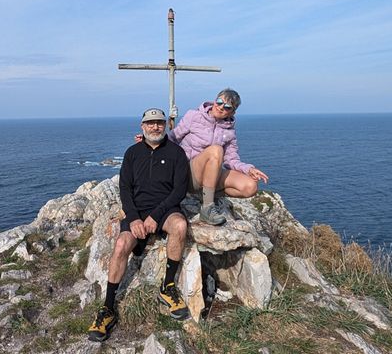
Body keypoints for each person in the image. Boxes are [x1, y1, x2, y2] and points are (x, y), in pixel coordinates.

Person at [87, 107, 191, 342]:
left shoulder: (176, 153)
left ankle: (168, 286)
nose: (155, 127)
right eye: (151, 123)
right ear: (142, 126)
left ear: (165, 126)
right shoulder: (132, 153)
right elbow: (125, 188)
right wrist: (134, 218)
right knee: (122, 244)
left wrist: (155, 216)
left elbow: (179, 191)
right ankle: (108, 308)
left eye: (160, 123)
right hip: (137, 210)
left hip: (165, 209)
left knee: (180, 227)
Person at [168, 88, 269, 226]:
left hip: (210, 176)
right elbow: (173, 137)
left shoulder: (229, 131)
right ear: (214, 101)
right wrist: (149, 141)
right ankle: (207, 208)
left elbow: (232, 159)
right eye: (219, 102)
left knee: (250, 187)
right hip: (189, 173)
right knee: (216, 150)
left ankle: (206, 193)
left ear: (232, 112)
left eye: (227, 107)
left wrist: (248, 169)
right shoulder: (193, 116)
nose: (221, 107)